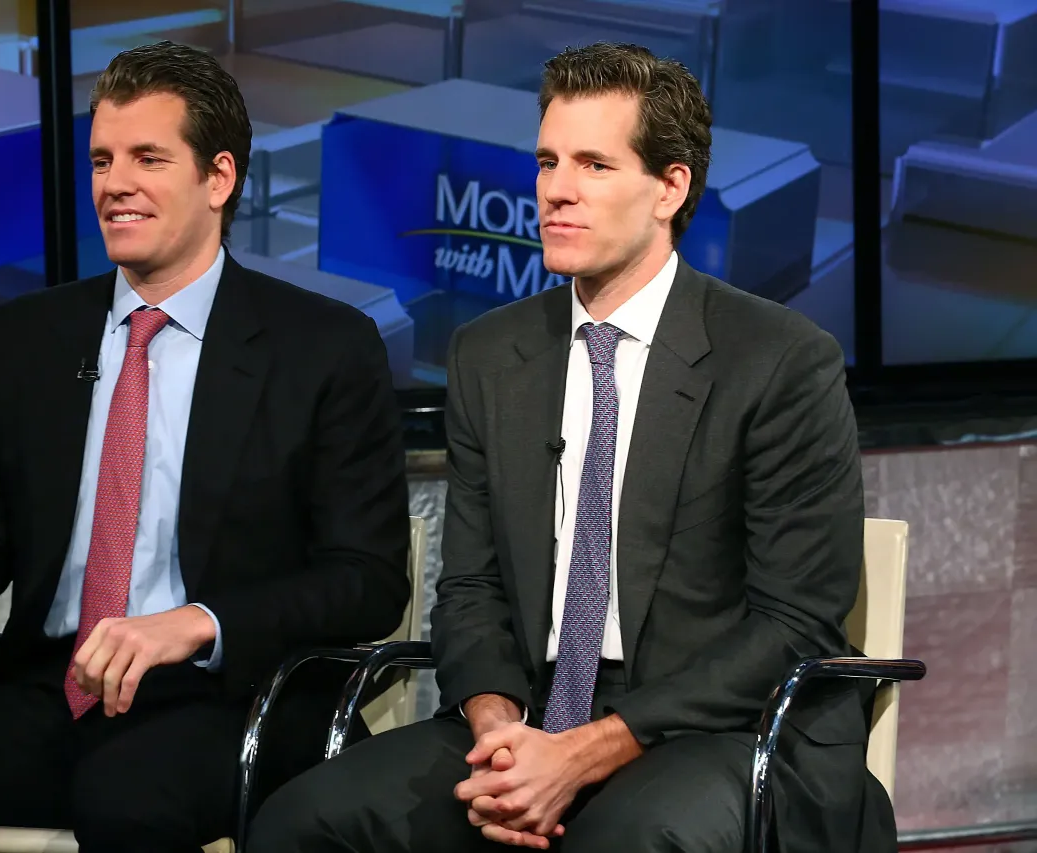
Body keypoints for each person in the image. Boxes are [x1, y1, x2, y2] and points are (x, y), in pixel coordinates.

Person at [247, 42, 896, 853]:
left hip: (725, 725)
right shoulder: (491, 354)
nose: (556, 189)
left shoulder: (779, 360)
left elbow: (793, 624)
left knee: (622, 840)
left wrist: (588, 750)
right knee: (301, 822)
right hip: (531, 709)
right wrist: (500, 732)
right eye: (548, 161)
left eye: (594, 164)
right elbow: (472, 586)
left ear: (669, 188)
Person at [0, 40, 410, 853]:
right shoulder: (21, 338)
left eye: (148, 158)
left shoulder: (322, 346)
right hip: (52, 686)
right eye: (103, 160)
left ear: (219, 178)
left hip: (227, 693)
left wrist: (195, 623)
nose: (114, 184)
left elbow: (366, 579)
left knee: (124, 797)